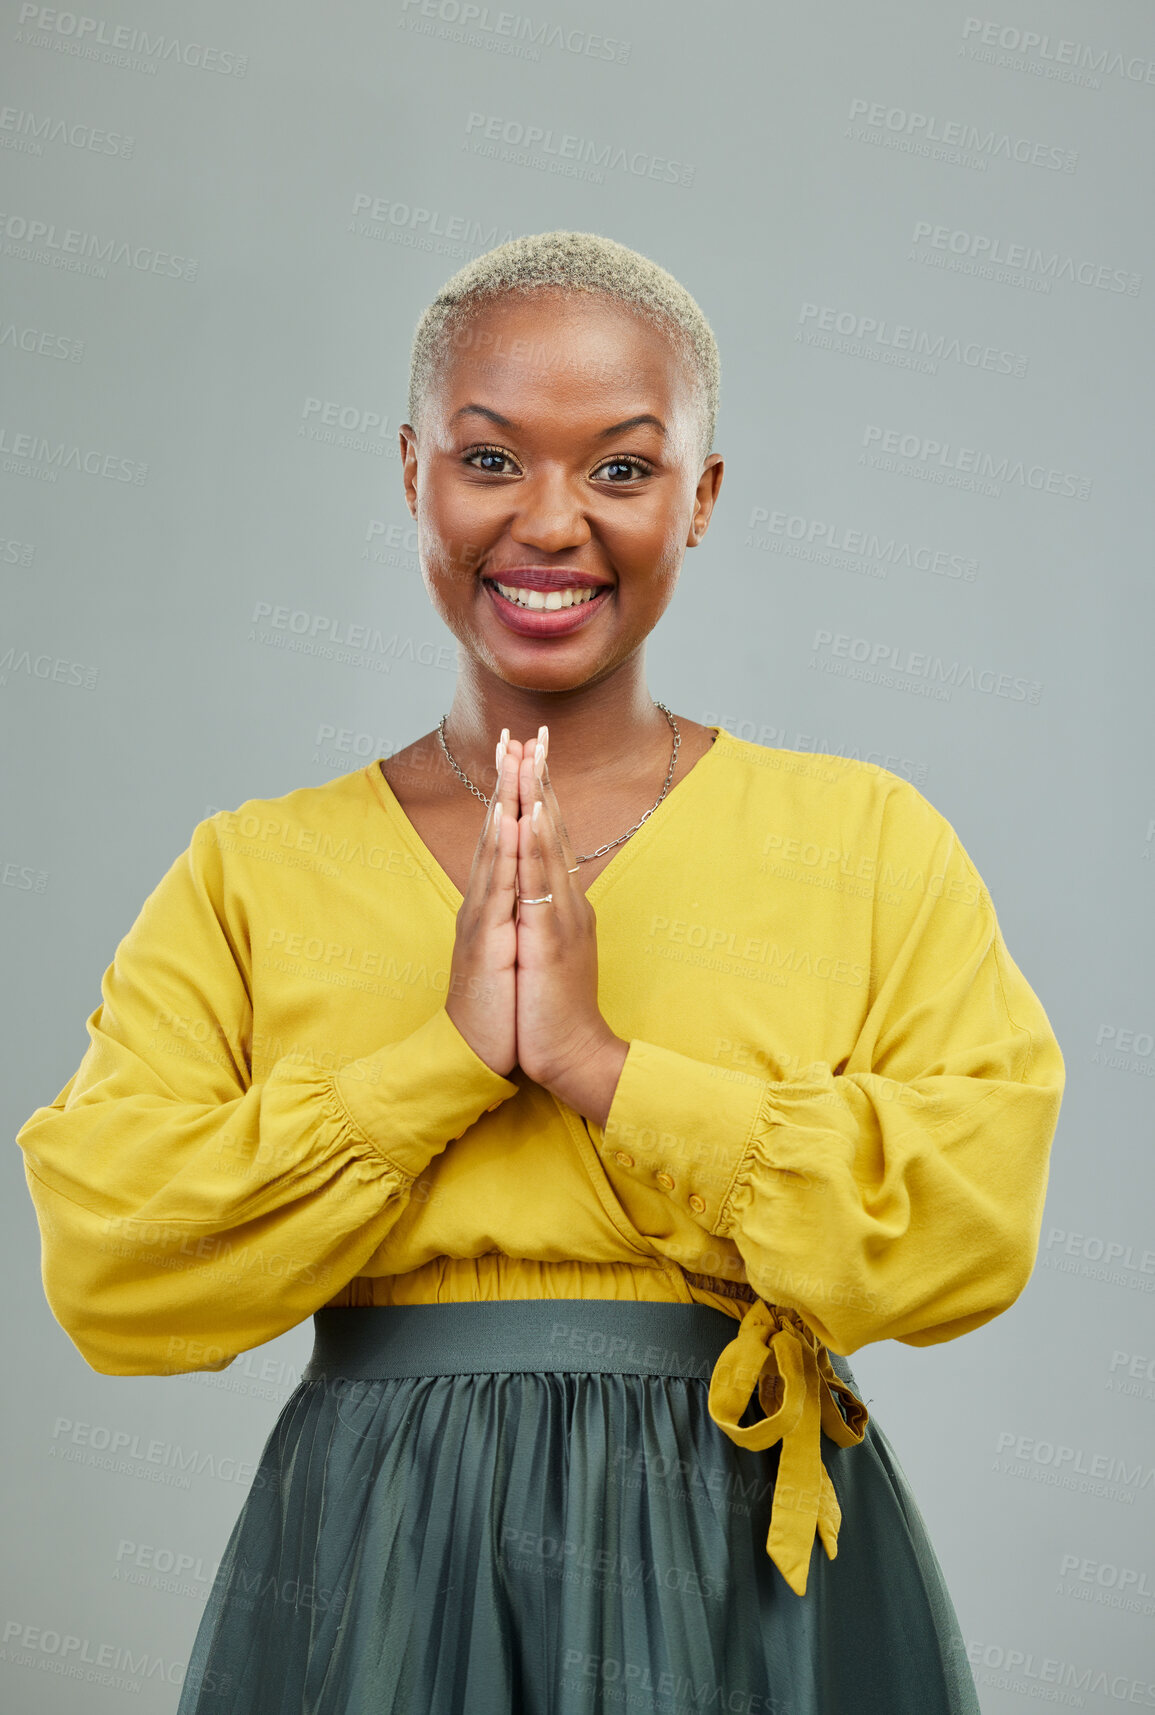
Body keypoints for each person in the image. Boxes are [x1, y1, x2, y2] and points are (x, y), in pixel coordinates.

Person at [16, 230, 1065, 1714]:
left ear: (701, 498)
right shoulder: (251, 871)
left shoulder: (865, 841)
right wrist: (442, 1066)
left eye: (624, 469)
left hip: (732, 1559)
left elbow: (971, 1219)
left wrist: (602, 1069)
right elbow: (112, 1258)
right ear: (411, 476)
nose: (552, 523)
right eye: (492, 460)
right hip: (375, 1548)